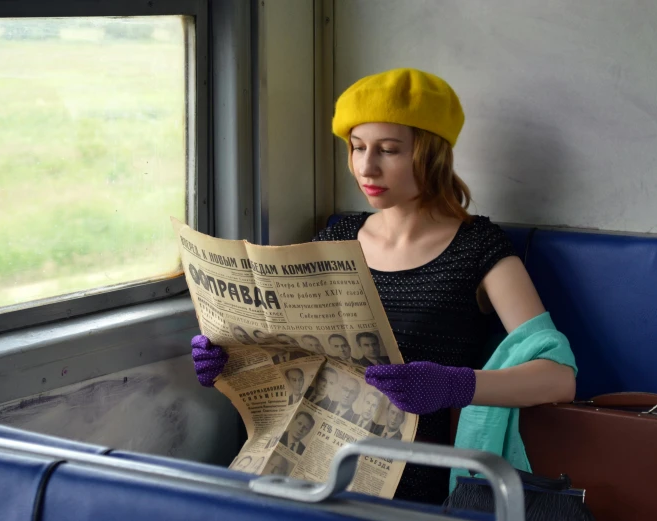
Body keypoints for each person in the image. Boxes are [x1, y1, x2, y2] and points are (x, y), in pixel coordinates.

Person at [191, 67, 576, 505]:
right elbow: (297, 357)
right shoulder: (335, 240)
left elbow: (558, 377)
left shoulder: (478, 250)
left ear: (430, 155)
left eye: (389, 150)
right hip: (311, 467)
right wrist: (233, 359)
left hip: (413, 483)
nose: (366, 167)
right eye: (357, 148)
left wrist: (456, 385)